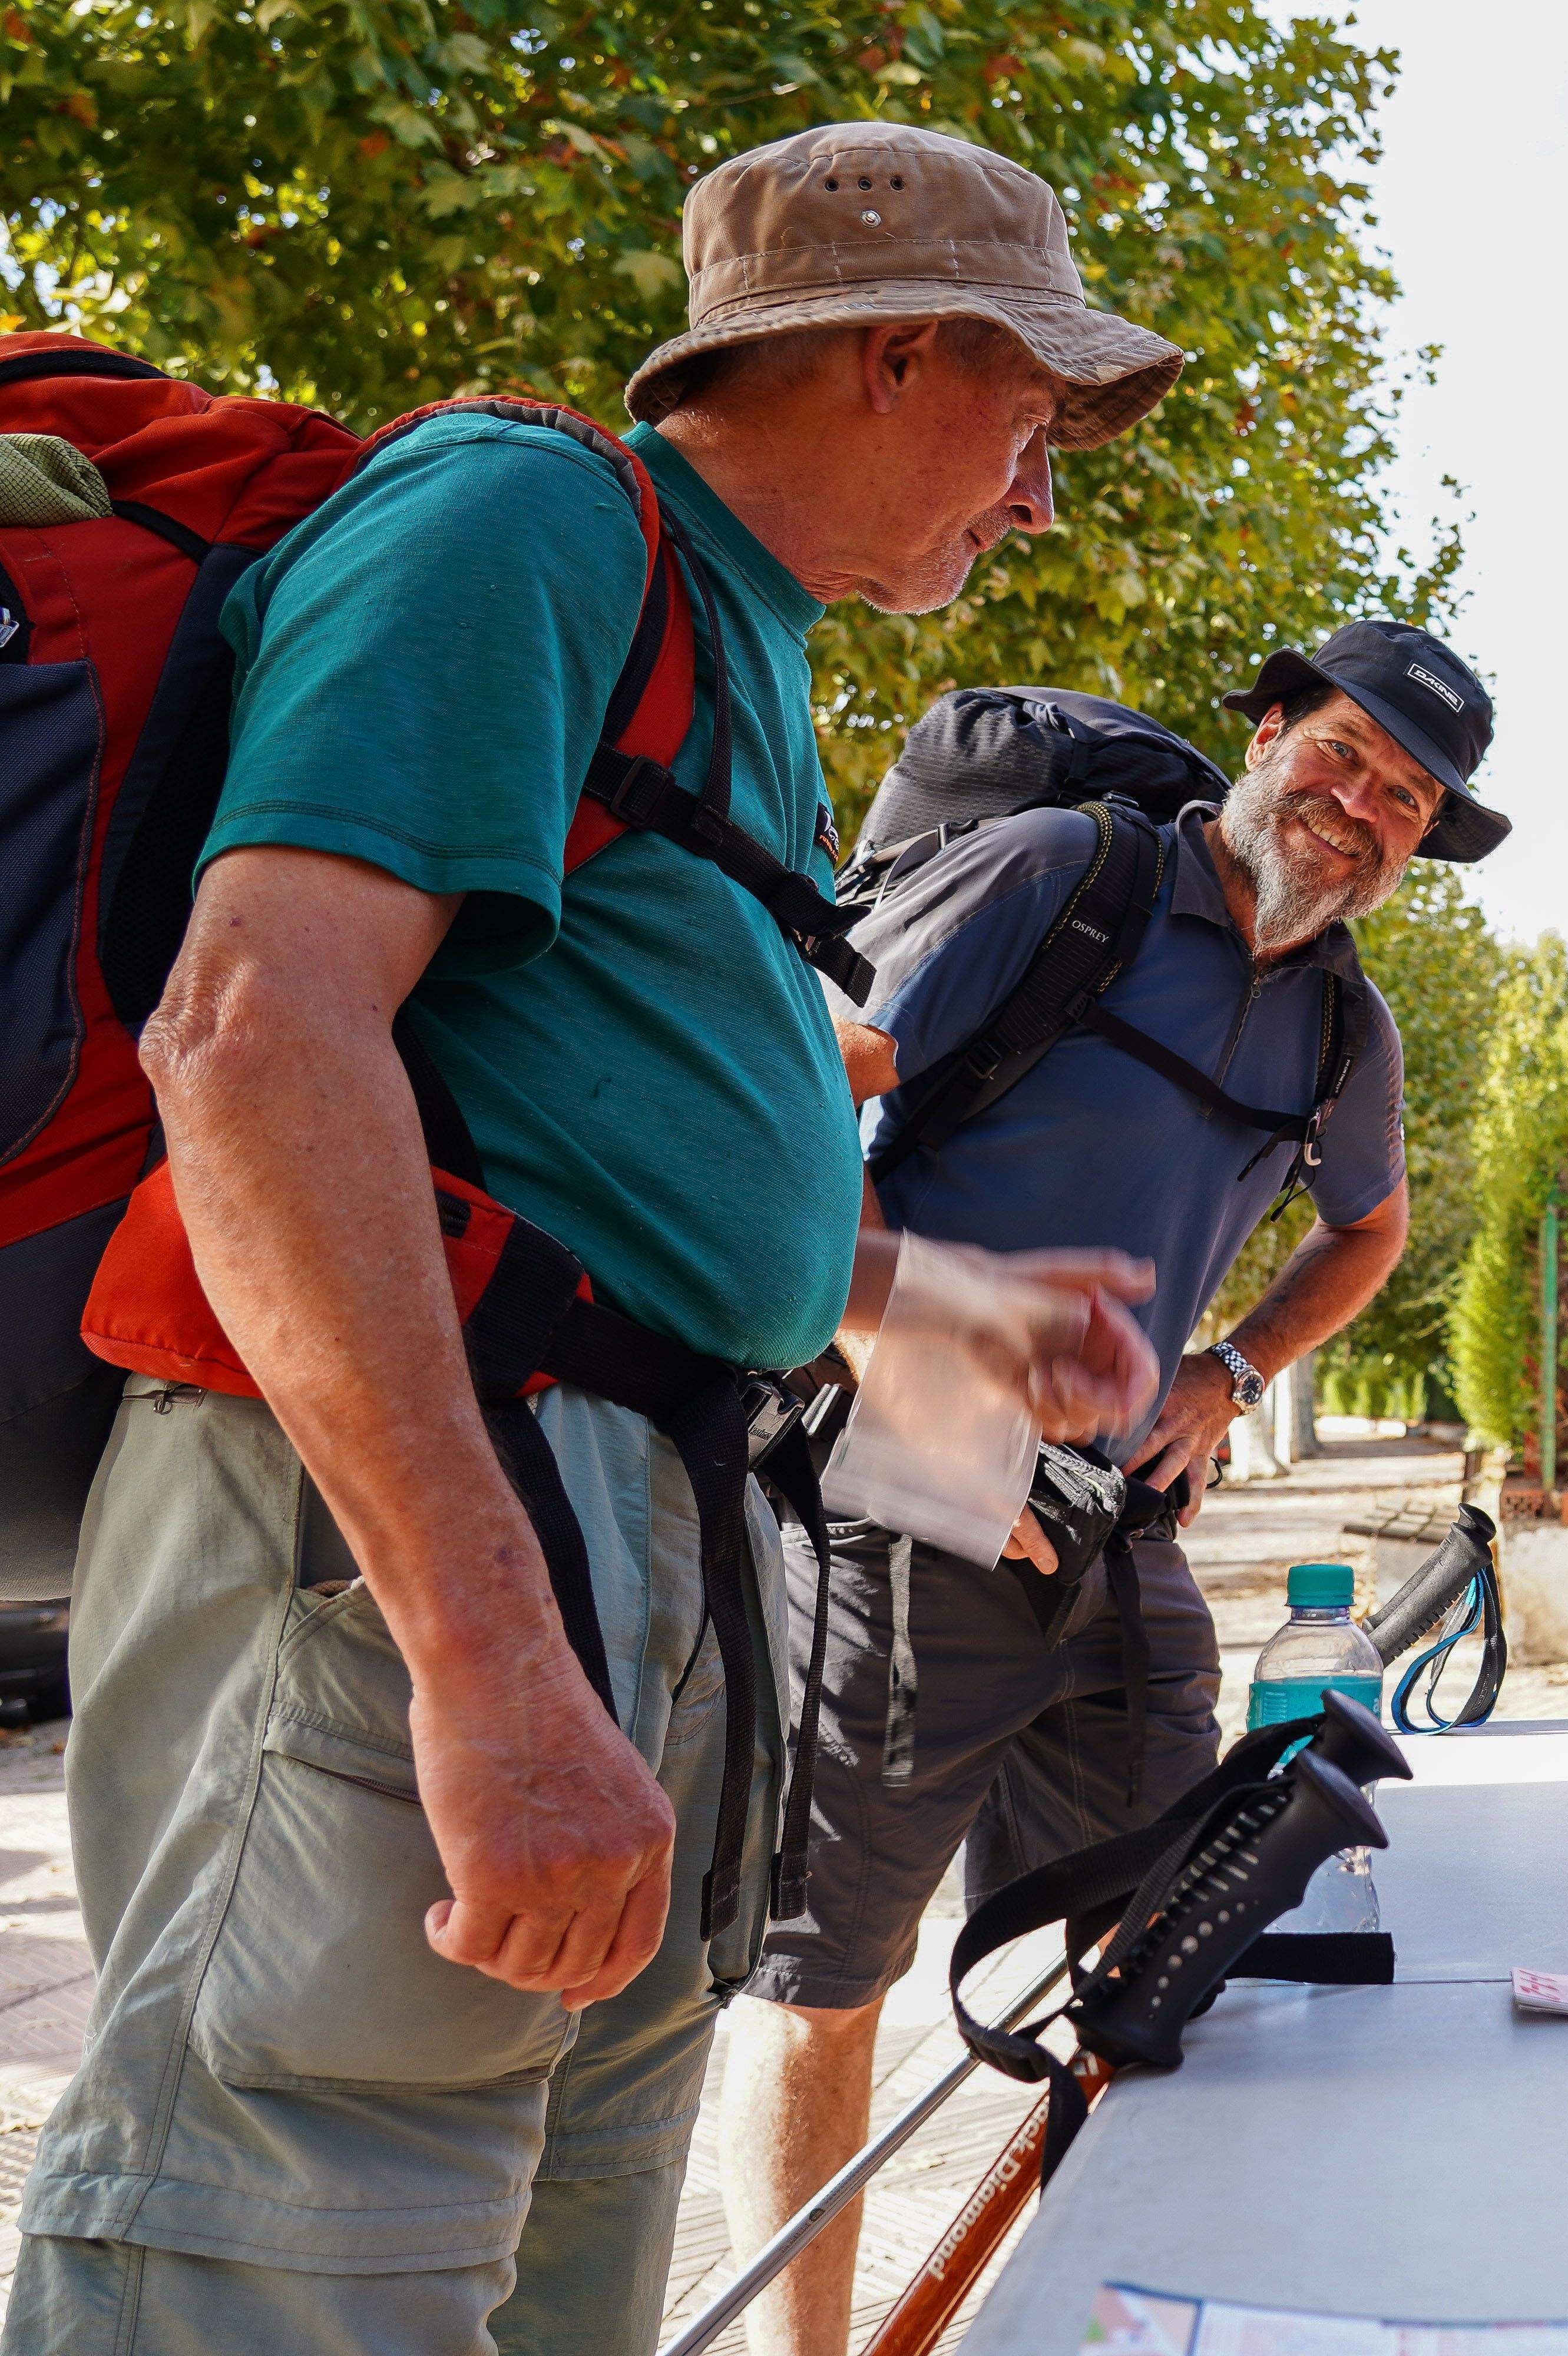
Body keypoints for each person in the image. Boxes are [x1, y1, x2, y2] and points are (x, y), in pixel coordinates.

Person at [6, 123, 1179, 2355]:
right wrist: (492, 1663)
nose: (1040, 494)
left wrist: (911, 1294)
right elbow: (253, 1033)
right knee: (293, 2247)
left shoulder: (727, 649)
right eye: (1029, 418)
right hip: (425, 1521)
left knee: (542, 2264)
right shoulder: (528, 518)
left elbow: (569, 1123)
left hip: (620, 1503)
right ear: (893, 350)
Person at [720, 630, 1496, 2356]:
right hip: (890, 1477)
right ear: (1272, 731)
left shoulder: (1344, 1028)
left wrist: (1233, 1372)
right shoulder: (1066, 875)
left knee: (1154, 1962)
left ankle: (1088, 2315)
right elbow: (793, 1102)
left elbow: (1368, 1227)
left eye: (1405, 794)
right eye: (1343, 754)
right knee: (823, 1981)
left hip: (1111, 1535)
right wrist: (946, 1399)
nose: (1358, 806)